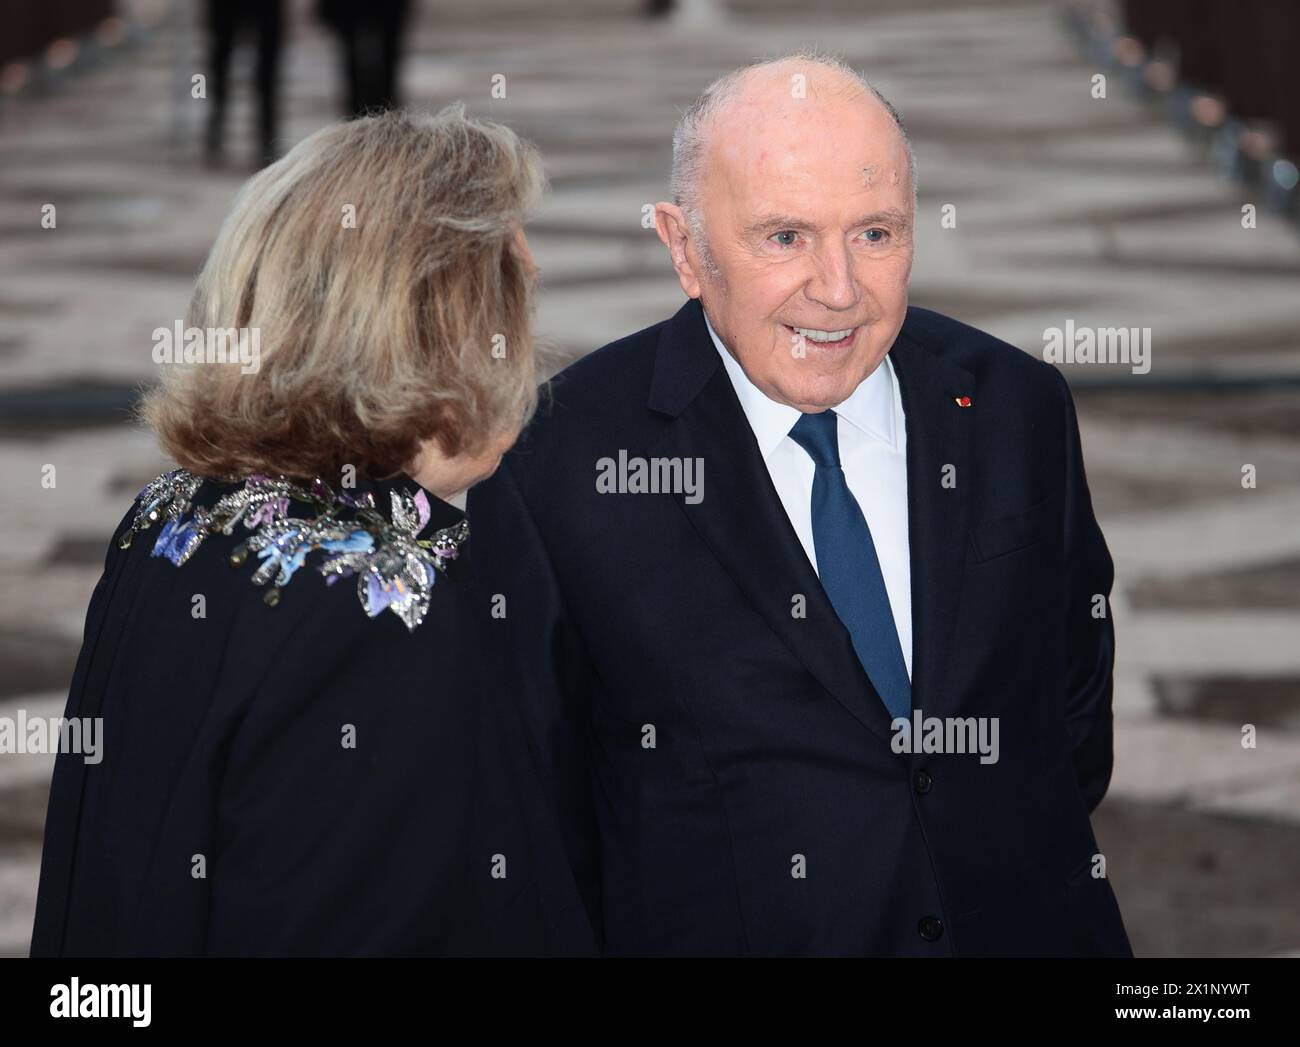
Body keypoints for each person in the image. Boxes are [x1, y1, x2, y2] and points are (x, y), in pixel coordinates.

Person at [468, 53, 1134, 956]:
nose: (838, 289)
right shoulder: (559, 459)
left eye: (875, 233)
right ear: (684, 249)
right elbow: (537, 811)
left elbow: (1072, 717)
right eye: (784, 237)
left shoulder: (1017, 406)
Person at [31, 106, 595, 957]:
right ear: (439, 328)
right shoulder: (384, 605)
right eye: (511, 289)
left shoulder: (174, 515)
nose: (529, 312)